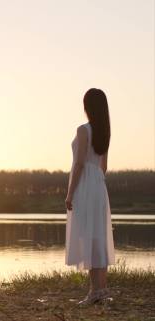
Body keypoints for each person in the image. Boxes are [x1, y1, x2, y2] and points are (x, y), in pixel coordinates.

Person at [65, 88, 115, 305]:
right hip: (98, 185)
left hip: (85, 183)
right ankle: (100, 291)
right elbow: (103, 166)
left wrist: (70, 193)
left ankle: (95, 292)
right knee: (98, 237)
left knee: (88, 235)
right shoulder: (104, 131)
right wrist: (96, 184)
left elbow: (78, 164)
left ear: (87, 106)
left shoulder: (83, 130)